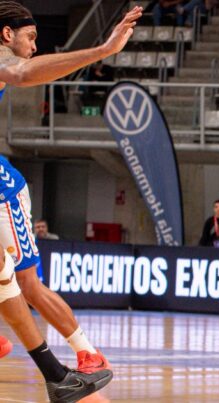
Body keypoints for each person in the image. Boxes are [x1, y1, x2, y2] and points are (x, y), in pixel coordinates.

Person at [0, 1, 142, 399]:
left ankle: (86, 354)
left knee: (24, 284)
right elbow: (24, 71)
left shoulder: (5, 62)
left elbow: (25, 72)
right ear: (7, 34)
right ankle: (63, 372)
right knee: (13, 283)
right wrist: (102, 51)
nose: (34, 45)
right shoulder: (3, 56)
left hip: (3, 191)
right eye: (30, 37)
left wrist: (102, 52)